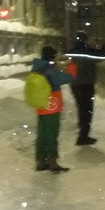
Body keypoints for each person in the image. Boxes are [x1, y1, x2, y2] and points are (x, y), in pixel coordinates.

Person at [32, 45, 73, 173]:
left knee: (42, 133)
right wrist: (71, 66)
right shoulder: (49, 70)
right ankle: (52, 161)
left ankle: (41, 160)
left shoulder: (38, 66)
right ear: (52, 56)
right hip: (52, 104)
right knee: (52, 133)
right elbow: (67, 78)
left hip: (41, 103)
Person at [66, 31, 105, 145]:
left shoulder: (71, 51)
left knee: (81, 109)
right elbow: (104, 56)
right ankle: (83, 137)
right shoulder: (88, 52)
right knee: (87, 111)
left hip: (74, 84)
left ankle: (82, 134)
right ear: (85, 39)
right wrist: (102, 45)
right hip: (86, 84)